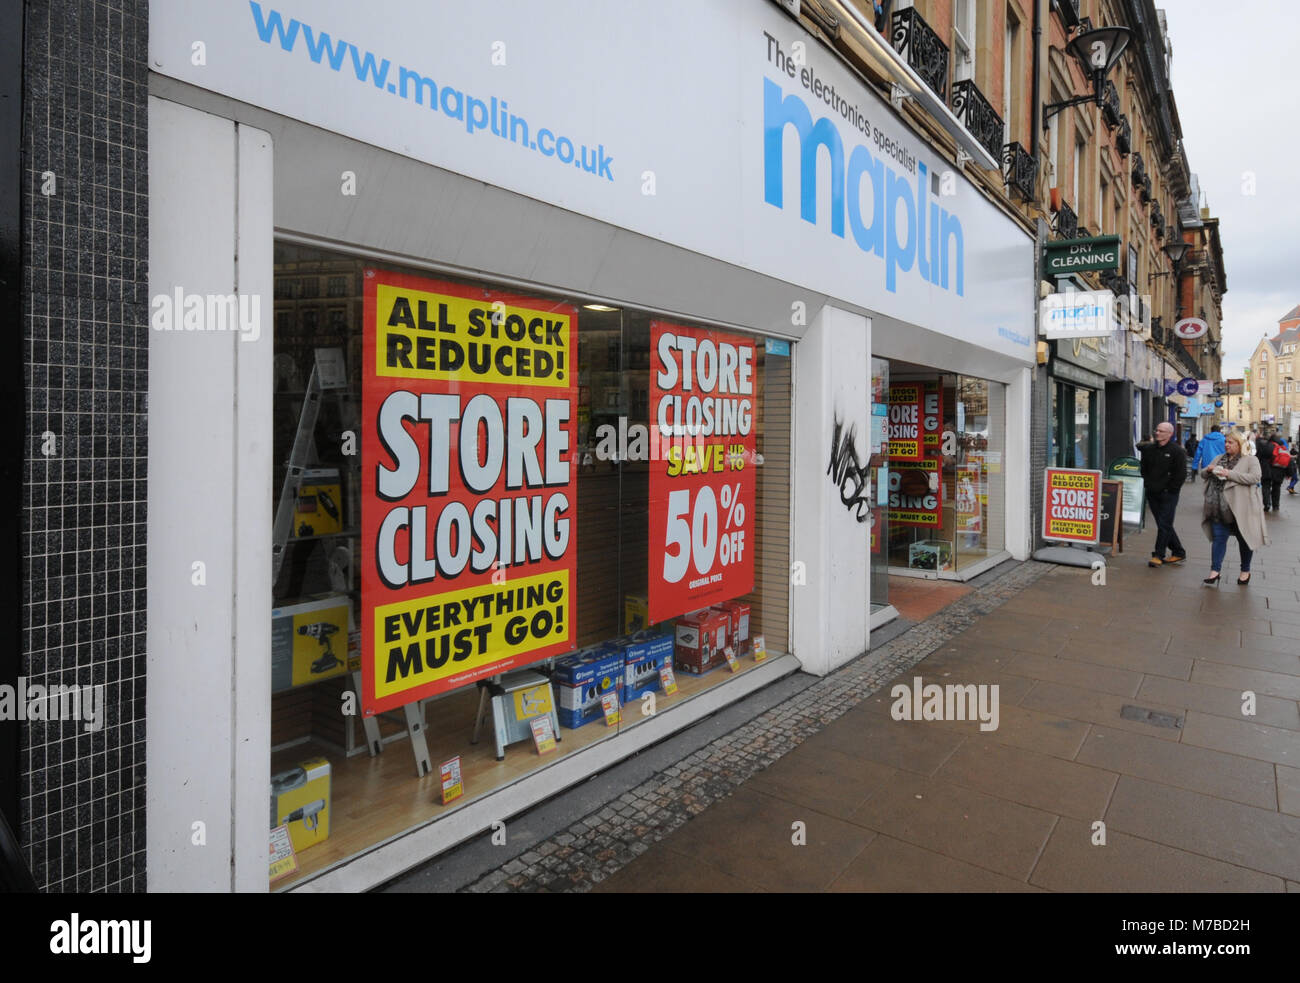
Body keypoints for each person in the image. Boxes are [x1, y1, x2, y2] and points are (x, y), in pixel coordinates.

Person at [1199, 429, 1269, 586]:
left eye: (1230, 442)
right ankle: (1214, 571)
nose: (1226, 445)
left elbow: (1255, 477)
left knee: (1244, 539)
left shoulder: (1250, 460)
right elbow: (1203, 474)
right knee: (1218, 539)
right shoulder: (1219, 458)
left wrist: (1229, 474)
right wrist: (1208, 470)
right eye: (1225, 442)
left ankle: (1245, 571)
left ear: (1239, 444)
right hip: (1218, 506)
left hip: (1240, 508)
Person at [1137, 421, 1188, 568]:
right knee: (1162, 523)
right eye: (1157, 430)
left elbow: (1181, 474)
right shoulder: (1149, 449)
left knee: (1164, 524)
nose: (1157, 433)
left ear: (1169, 434)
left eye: (1161, 431)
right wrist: (1147, 483)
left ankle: (1158, 555)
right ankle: (1178, 551)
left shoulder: (1177, 451)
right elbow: (1144, 468)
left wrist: (1171, 489)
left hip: (1169, 494)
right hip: (1152, 492)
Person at [1257, 428, 1283, 513]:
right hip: (1278, 470)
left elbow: (1258, 457)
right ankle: (1276, 506)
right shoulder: (1281, 446)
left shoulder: (1264, 445)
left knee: (1266, 486)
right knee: (1277, 487)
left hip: (1266, 469)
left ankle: (1267, 504)